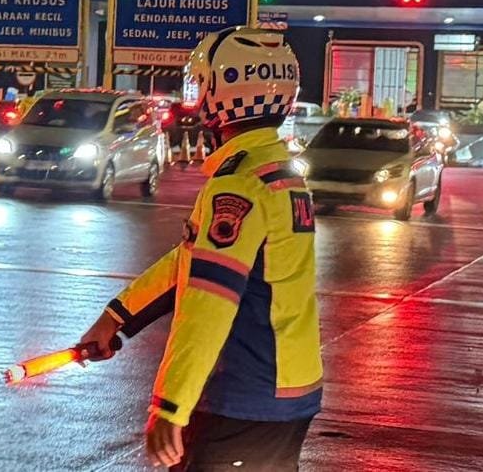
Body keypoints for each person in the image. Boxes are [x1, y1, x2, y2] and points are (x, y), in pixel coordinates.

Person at [80, 27, 322, 471]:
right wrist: (116, 317)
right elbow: (192, 263)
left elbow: (208, 302)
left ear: (221, 92)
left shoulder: (239, 184)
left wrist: (170, 406)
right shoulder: (276, 173)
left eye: (199, 84)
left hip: (243, 396)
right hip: (286, 388)